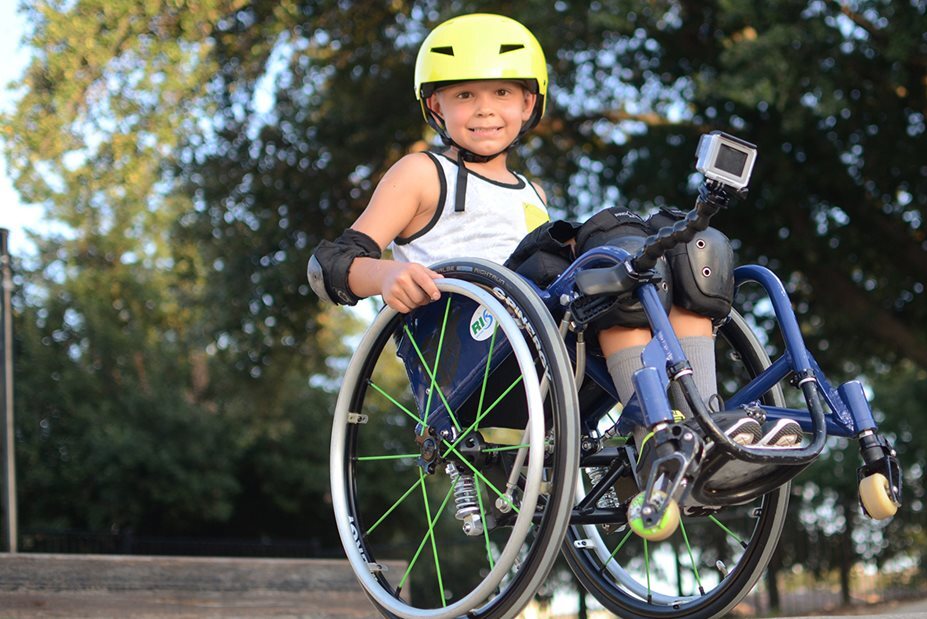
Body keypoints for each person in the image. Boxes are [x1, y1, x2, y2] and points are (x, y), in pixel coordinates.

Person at [307, 13, 799, 450]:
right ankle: (659, 436)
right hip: (472, 341)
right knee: (611, 257)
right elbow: (330, 263)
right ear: (436, 107)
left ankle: (701, 425)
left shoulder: (531, 191)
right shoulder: (422, 172)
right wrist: (384, 277)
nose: (484, 108)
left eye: (502, 93)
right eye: (464, 95)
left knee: (684, 255)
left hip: (545, 329)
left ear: (528, 105)